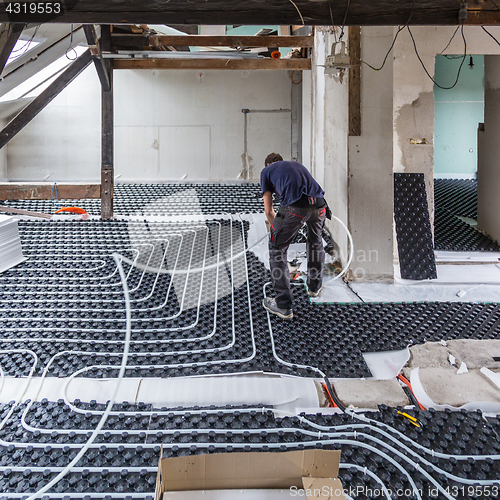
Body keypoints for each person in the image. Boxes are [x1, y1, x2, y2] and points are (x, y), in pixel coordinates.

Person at [261, 153, 329, 320]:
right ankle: (314, 287)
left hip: (296, 208)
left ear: (268, 164)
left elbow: (269, 211)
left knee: (277, 248)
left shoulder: (266, 171)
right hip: (320, 204)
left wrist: (276, 230)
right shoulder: (295, 165)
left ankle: (283, 305)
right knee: (315, 241)